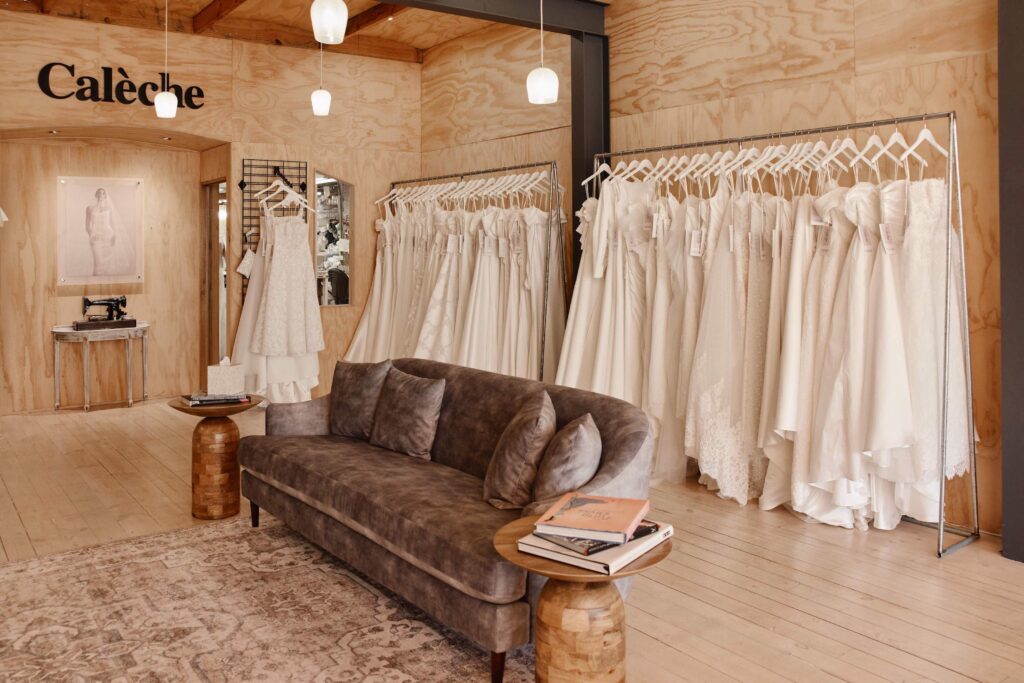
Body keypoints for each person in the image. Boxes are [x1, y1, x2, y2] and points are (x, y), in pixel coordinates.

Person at [85, 187, 130, 276]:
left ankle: (104, 287)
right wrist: (91, 236)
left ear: (105, 196)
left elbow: (113, 223)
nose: (101, 195)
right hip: (96, 237)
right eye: (99, 193)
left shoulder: (109, 208)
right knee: (98, 263)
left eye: (103, 193)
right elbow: (87, 225)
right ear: (96, 195)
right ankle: (95, 285)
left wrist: (114, 236)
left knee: (107, 266)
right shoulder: (89, 208)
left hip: (108, 237)